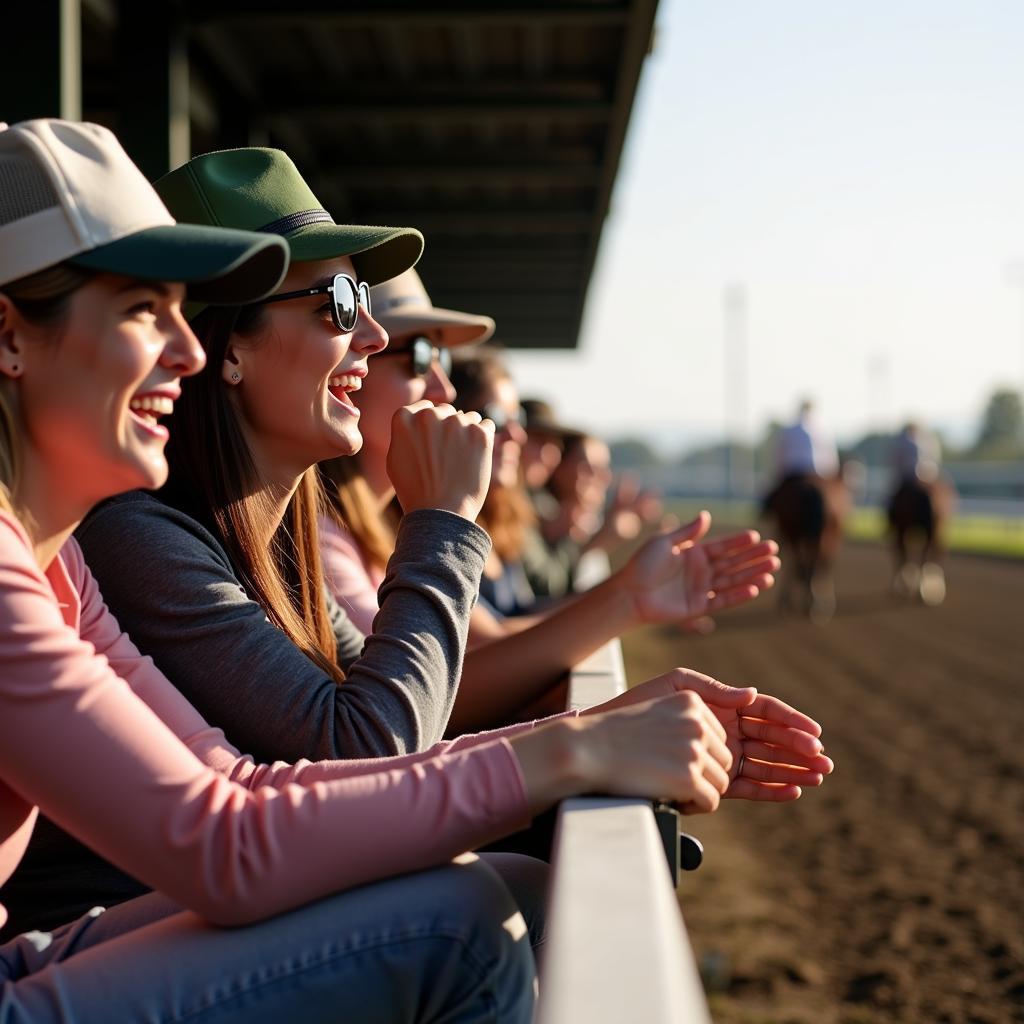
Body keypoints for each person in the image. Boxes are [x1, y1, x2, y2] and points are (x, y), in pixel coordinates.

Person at [0, 119, 829, 1023]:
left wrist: (605, 722)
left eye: (177, 307)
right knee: (463, 924)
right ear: (9, 337)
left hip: (49, 945)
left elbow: (245, 790)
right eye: (140, 310)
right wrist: (446, 530)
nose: (185, 350)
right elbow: (306, 788)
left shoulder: (69, 560)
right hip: (53, 944)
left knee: (508, 887)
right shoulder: (126, 535)